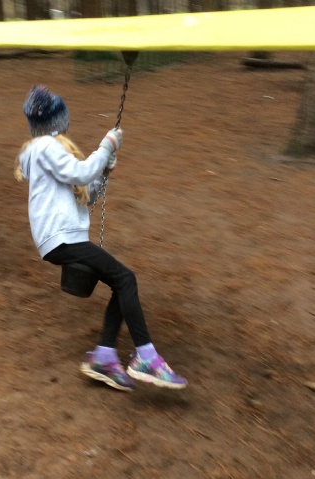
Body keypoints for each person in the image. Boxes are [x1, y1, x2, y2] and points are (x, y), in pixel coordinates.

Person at [15, 85, 187, 391]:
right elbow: (82, 173)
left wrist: (103, 173)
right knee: (126, 279)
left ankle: (105, 357)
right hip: (62, 238)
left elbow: (84, 193)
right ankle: (146, 357)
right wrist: (105, 147)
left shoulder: (42, 153)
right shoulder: (45, 147)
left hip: (58, 239)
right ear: (58, 121)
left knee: (121, 283)